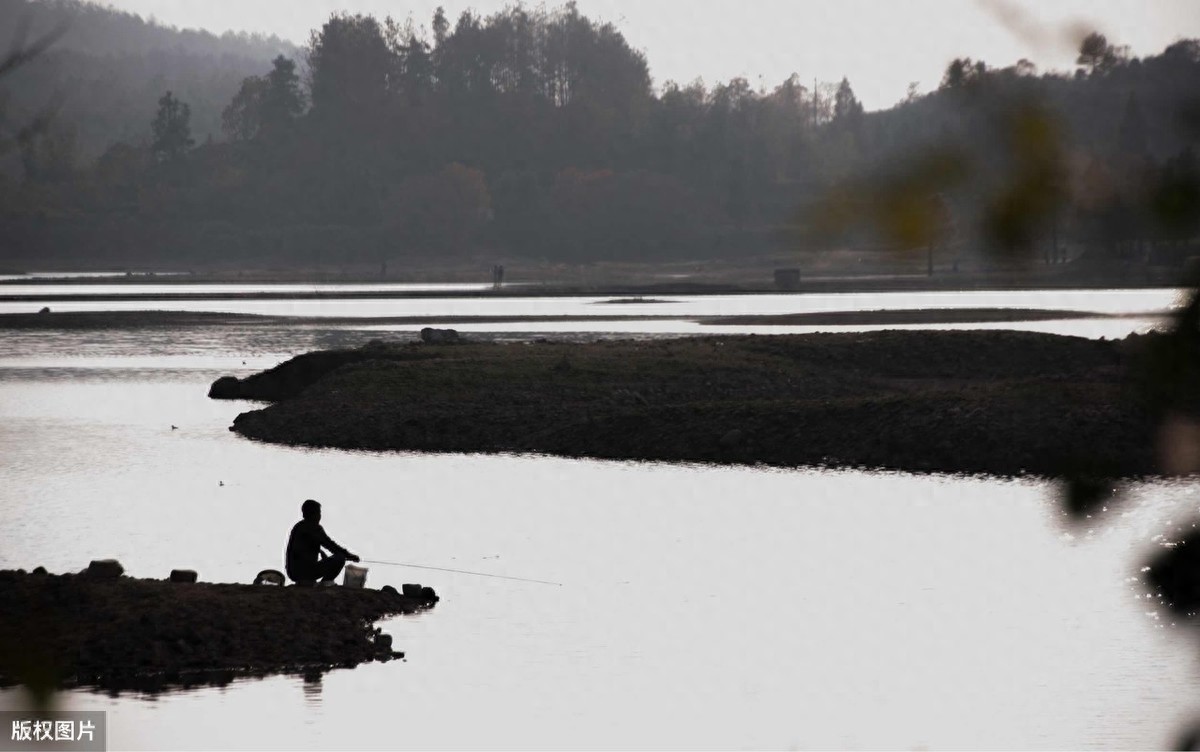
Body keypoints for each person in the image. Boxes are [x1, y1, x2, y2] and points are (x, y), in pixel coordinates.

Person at [285, 499, 360, 585]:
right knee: (340, 558)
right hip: (304, 572)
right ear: (314, 514)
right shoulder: (312, 527)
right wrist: (349, 555)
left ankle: (310, 581)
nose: (320, 516)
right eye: (319, 513)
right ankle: (325, 583)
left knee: (336, 557)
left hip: (293, 573)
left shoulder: (299, 527)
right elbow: (330, 545)